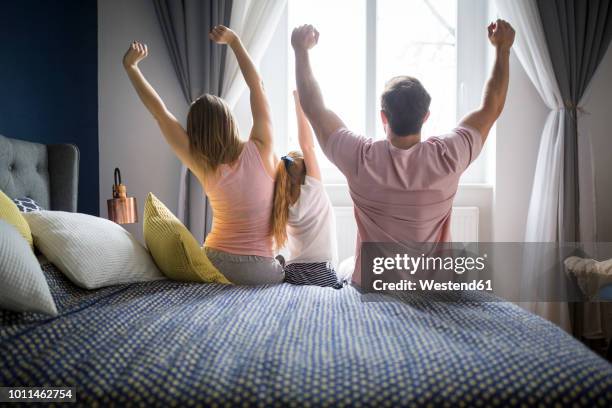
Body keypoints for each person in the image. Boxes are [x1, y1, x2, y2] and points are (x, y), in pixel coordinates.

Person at [291, 20, 515, 285]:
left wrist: (300, 51)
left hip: (374, 287)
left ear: (383, 117)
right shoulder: (449, 155)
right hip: (434, 289)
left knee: (344, 267)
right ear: (426, 117)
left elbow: (313, 108)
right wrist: (502, 49)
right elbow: (492, 107)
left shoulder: (360, 158)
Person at [123, 25, 284, 285]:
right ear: (229, 120)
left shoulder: (202, 164)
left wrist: (131, 68)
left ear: (195, 133)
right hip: (261, 269)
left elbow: (160, 114)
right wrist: (234, 42)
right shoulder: (262, 147)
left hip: (214, 264)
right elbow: (257, 86)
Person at [271, 91, 342, 289]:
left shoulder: (281, 203)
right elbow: (308, 146)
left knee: (280, 260)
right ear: (307, 170)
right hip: (323, 273)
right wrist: (299, 104)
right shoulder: (313, 187)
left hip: (293, 274)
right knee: (347, 270)